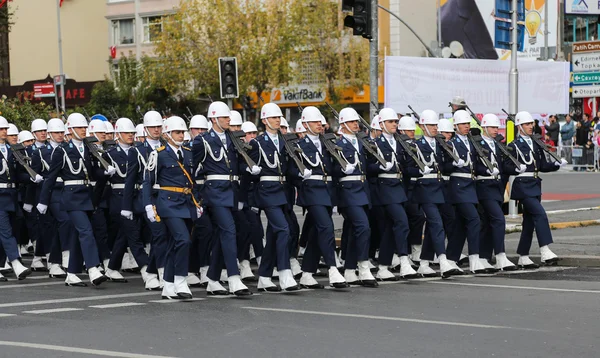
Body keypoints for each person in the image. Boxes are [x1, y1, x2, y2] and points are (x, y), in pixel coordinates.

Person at [37, 113, 112, 287]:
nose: (83, 130)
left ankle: (71, 273)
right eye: (80, 128)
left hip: (86, 195)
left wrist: (105, 173)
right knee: (86, 231)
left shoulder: (88, 148)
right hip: (71, 197)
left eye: (85, 127)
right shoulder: (61, 150)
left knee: (80, 234)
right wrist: (43, 200)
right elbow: (50, 177)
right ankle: (93, 268)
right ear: (70, 130)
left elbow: (92, 173)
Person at [192, 101, 251, 296]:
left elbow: (238, 165)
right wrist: (196, 196)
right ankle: (234, 278)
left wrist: (249, 168)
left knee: (220, 235)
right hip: (214, 193)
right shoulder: (203, 141)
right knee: (229, 230)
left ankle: (213, 279)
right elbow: (192, 169)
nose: (229, 120)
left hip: (231, 191)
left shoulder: (233, 138)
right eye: (225, 117)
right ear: (214, 118)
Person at [144, 116, 201, 299]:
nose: (181, 135)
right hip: (167, 203)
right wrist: (148, 206)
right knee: (183, 240)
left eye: (183, 132)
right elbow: (148, 183)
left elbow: (193, 182)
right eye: (177, 132)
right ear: (167, 134)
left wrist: (197, 202)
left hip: (186, 203)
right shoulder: (158, 154)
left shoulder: (188, 152)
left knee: (173, 244)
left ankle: (168, 286)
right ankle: (180, 280)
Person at [293, 106, 347, 289]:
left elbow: (333, 166)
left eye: (321, 122)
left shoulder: (327, 143)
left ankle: (307, 273)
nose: (320, 125)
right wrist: (301, 174)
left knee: (317, 232)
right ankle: (333, 268)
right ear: (306, 124)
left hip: (327, 191)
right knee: (326, 227)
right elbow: (291, 170)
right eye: (316, 122)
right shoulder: (298, 146)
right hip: (311, 190)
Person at [248, 102, 299, 292]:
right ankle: (285, 273)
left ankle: (264, 276)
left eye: (279, 117)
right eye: (273, 117)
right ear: (264, 120)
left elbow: (290, 168)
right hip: (267, 191)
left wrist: (302, 174)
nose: (277, 120)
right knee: (283, 229)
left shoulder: (286, 141)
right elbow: (249, 173)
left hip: (283, 191)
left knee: (273, 235)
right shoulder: (257, 143)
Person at [506, 111, 567, 268]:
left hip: (534, 184)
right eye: (527, 124)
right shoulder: (513, 146)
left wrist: (556, 165)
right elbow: (506, 166)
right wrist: (516, 169)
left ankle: (523, 256)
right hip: (522, 185)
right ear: (519, 127)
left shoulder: (535, 143)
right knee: (540, 214)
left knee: (529, 222)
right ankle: (545, 250)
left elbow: (541, 166)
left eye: (531, 124)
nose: (531, 126)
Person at [333, 107, 378, 287]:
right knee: (363, 227)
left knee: (353, 230)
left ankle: (350, 269)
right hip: (347, 191)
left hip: (362, 190)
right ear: (343, 124)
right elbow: (332, 168)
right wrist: (341, 169)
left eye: (356, 121)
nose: (356, 124)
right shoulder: (338, 143)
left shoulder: (360, 142)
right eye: (352, 122)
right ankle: (363, 265)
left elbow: (366, 167)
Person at [476, 114, 517, 271]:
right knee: (499, 219)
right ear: (485, 127)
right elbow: (473, 164)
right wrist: (484, 170)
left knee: (486, 223)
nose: (495, 130)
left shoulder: (497, 145)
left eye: (497, 127)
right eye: (493, 127)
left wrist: (515, 169)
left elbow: (502, 166)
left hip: (496, 186)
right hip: (483, 186)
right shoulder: (477, 144)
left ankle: (484, 256)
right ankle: (500, 256)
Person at [0, 116, 33, 282]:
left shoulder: (12, 150)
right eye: (1, 129)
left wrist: (32, 177)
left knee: (10, 230)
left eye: (5, 129)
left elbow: (18, 174)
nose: (4, 132)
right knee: (6, 232)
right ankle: (16, 263)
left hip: (11, 196)